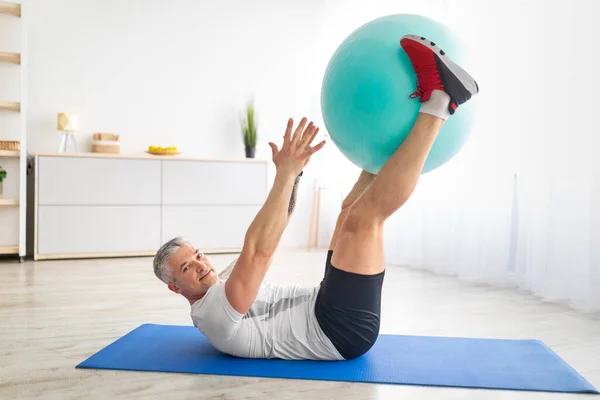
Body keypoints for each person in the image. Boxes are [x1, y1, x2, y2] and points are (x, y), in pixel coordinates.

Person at [152, 34, 479, 361]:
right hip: (338, 330)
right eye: (186, 267)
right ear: (175, 288)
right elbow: (259, 252)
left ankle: (391, 148)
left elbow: (275, 229)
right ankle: (440, 100)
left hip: (325, 303)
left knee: (349, 211)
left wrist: (294, 176)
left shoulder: (221, 280)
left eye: (196, 255)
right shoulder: (214, 316)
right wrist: (285, 174)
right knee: (363, 222)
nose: (199, 264)